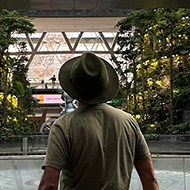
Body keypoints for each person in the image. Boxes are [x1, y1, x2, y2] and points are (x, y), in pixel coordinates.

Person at [38, 52, 159, 190]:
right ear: (104, 86)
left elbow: (49, 185)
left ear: (73, 88)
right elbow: (150, 179)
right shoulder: (128, 122)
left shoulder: (63, 126)